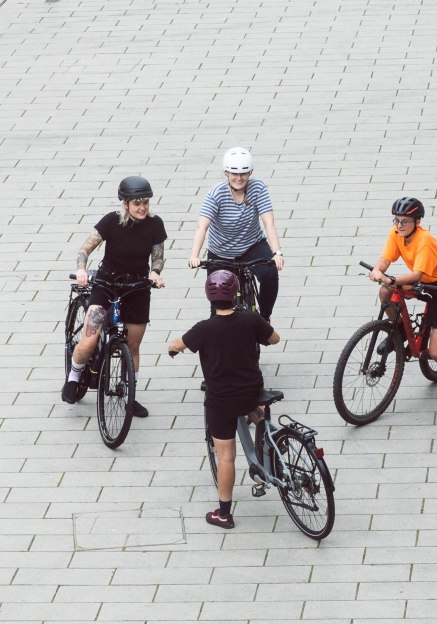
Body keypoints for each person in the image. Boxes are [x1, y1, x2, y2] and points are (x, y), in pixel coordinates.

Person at [168, 270, 280, 529]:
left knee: (226, 457)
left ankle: (224, 514)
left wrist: (172, 348)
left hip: (222, 401)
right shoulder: (251, 319)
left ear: (209, 296)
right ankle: (267, 455)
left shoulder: (203, 329)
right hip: (252, 392)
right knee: (258, 412)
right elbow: (274, 339)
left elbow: (177, 344)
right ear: (236, 293)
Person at [61, 176, 167, 417]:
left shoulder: (155, 225)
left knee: (133, 345)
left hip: (138, 286)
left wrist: (155, 272)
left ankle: (129, 394)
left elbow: (158, 256)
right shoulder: (111, 222)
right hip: (107, 283)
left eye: (146, 203)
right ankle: (73, 377)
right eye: (137, 203)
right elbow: (85, 248)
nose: (142, 208)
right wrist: (81, 269)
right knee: (89, 339)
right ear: (125, 204)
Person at [368, 197, 437, 407]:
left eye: (405, 221)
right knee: (385, 292)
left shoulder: (424, 240)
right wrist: (377, 270)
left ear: (417, 222)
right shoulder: (396, 233)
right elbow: (386, 259)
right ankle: (399, 331)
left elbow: (416, 275)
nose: (399, 225)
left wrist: (391, 278)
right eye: (396, 220)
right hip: (425, 283)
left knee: (436, 352)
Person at [187, 147, 284, 322]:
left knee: (270, 274)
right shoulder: (217, 193)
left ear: (250, 173)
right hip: (221, 252)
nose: (239, 178)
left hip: (252, 246)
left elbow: (269, 222)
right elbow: (202, 226)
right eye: (234, 174)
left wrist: (277, 252)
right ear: (226, 172)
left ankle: (264, 318)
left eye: (244, 174)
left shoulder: (258, 188)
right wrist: (194, 255)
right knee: (217, 303)